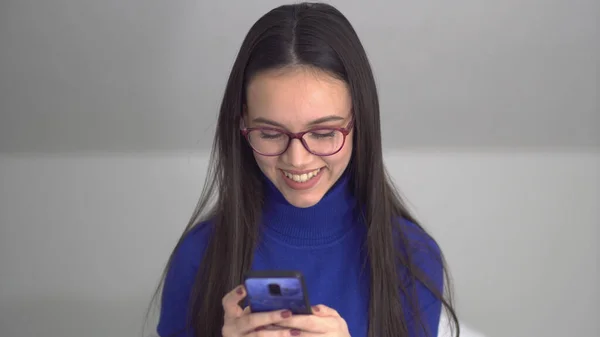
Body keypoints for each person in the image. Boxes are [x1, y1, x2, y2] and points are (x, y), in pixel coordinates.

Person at [151, 2, 459, 337]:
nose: (297, 161)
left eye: (325, 133)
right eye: (269, 133)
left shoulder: (411, 256)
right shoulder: (199, 255)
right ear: (242, 123)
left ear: (360, 123)